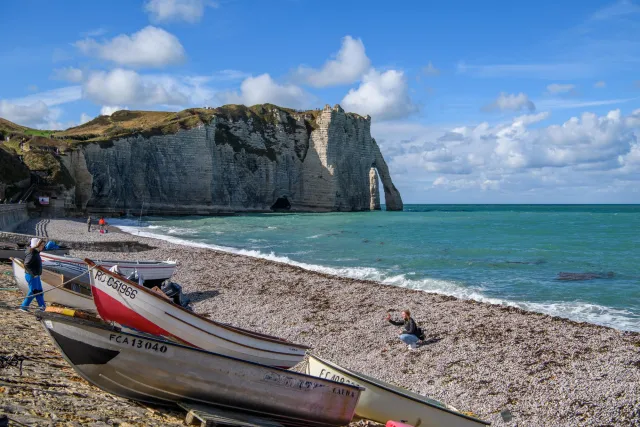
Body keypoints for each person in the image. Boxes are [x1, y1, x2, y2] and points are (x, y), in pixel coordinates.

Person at [19, 238, 47, 312]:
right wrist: (33, 274)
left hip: (36, 275)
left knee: (39, 291)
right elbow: (26, 264)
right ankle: (24, 307)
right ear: (36, 245)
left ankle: (42, 307)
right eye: (41, 245)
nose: (43, 247)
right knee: (34, 291)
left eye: (43, 245)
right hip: (31, 276)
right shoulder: (32, 253)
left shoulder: (36, 252)